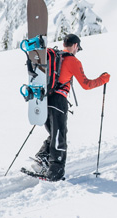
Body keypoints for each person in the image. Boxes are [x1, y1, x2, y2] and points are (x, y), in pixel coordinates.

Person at [33, 34, 109, 181]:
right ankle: (55, 172)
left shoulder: (53, 56)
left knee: (54, 133)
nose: (77, 51)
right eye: (78, 48)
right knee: (59, 136)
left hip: (43, 98)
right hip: (59, 101)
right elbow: (86, 84)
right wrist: (103, 79)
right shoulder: (72, 61)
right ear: (75, 45)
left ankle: (41, 159)